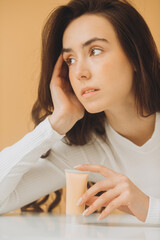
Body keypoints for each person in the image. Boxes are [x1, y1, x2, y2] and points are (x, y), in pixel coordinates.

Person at [0, 0, 160, 223]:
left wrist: (148, 207)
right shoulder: (84, 151)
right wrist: (56, 124)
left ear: (135, 55)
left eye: (95, 51)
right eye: (70, 60)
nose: (79, 73)